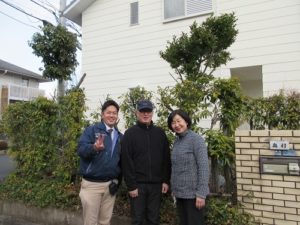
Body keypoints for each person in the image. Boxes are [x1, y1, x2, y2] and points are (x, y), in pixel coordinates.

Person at [121, 100, 171, 225]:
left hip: (156, 185)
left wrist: (165, 180)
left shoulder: (160, 133)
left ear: (152, 113)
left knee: (153, 219)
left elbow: (166, 158)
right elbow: (126, 161)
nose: (145, 114)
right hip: (138, 186)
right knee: (137, 219)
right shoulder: (130, 134)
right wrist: (131, 186)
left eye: (148, 111)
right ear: (136, 113)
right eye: (142, 111)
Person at [77, 100, 122, 225]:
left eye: (115, 113)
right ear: (102, 115)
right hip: (92, 185)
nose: (112, 115)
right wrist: (94, 148)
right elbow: (80, 150)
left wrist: (118, 181)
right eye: (109, 113)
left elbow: (121, 162)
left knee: (105, 222)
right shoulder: (91, 130)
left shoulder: (119, 136)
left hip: (110, 186)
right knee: (90, 222)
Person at [167, 109, 209, 225]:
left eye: (179, 121)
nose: (176, 125)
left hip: (194, 196)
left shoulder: (196, 140)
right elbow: (175, 167)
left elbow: (204, 168)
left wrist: (201, 194)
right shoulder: (177, 141)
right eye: (173, 122)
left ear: (186, 121)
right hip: (180, 194)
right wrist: (174, 189)